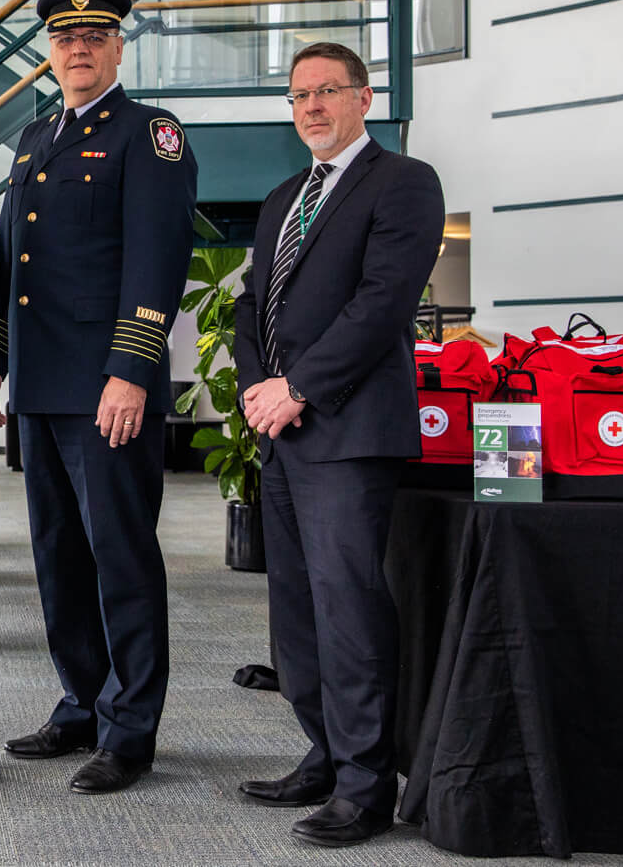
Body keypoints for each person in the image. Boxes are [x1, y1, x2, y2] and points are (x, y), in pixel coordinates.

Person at [0, 0, 197, 795]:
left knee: (120, 558)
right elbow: (8, 255)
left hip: (106, 391)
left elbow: (156, 258)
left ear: (116, 47)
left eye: (94, 36)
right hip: (39, 387)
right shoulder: (35, 136)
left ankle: (129, 727)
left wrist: (131, 370)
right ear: (50, 49)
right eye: (65, 38)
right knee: (58, 558)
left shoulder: (150, 134)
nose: (78, 49)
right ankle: (80, 702)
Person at [232, 41, 444, 847]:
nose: (311, 107)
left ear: (362, 98)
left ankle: (365, 784)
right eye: (298, 96)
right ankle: (322, 753)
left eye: (327, 91)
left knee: (348, 609)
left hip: (347, 434)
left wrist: (299, 387)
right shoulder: (285, 194)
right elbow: (256, 304)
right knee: (296, 612)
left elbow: (381, 304)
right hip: (281, 432)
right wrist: (260, 388)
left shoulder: (404, 182)